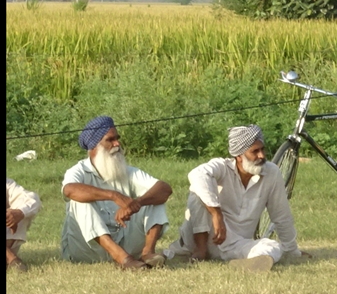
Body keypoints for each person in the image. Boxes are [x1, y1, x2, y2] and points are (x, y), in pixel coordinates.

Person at [167, 125, 306, 271]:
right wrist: (216, 214)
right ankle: (200, 251)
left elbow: (281, 214)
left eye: (262, 149)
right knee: (198, 189)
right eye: (255, 151)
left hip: (235, 244)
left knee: (272, 246)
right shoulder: (222, 167)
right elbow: (197, 174)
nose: (262, 156)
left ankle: (248, 264)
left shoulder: (272, 172)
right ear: (239, 156)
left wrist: (292, 251)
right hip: (203, 236)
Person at [61, 116, 172, 269]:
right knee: (79, 200)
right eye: (110, 140)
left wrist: (135, 204)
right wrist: (114, 196)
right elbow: (69, 190)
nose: (117, 144)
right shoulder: (78, 171)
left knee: (154, 197)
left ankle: (148, 253)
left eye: (117, 139)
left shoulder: (127, 171)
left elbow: (164, 189)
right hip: (87, 249)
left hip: (125, 240)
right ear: (94, 146)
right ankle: (124, 259)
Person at [7, 177, 41, 272]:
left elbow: (32, 199)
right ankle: (11, 258)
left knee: (23, 210)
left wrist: (19, 213)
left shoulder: (8, 184)